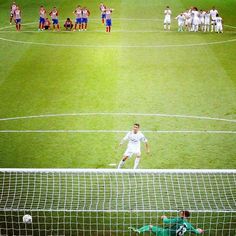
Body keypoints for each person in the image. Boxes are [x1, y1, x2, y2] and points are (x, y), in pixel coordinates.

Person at [129, 210, 204, 235]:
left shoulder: (179, 219)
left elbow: (167, 221)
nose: (180, 212)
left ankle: (138, 230)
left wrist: (164, 217)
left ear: (183, 214)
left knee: (150, 227)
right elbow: (196, 232)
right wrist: (200, 230)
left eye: (181, 212)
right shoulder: (189, 226)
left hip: (165, 233)